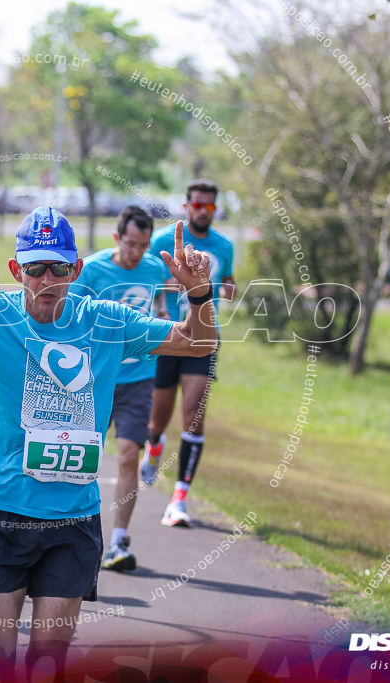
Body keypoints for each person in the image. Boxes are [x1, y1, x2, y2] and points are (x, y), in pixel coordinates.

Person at [0, 186, 217, 679]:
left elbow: (197, 341)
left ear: (76, 269)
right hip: (0, 516)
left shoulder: (105, 319)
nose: (47, 279)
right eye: (35, 268)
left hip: (71, 523)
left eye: (58, 267)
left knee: (46, 665)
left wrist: (199, 293)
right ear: (16, 271)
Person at [76, 205, 169, 572]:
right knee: (81, 458)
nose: (136, 253)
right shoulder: (94, 269)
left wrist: (161, 318)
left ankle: (118, 541)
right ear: (117, 238)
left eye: (143, 246)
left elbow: (158, 304)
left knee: (130, 454)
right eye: (130, 244)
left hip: (138, 377)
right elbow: (71, 314)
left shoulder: (154, 269)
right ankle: (73, 531)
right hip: (93, 378)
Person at [144, 179, 235, 528]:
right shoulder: (165, 240)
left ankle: (179, 499)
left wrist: (225, 288)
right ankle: (153, 446)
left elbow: (228, 281)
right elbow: (146, 279)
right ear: (186, 206)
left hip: (203, 336)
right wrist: (164, 294)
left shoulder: (224, 245)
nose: (203, 211)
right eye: (197, 205)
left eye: (209, 206)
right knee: (157, 419)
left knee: (194, 413)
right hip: (167, 335)